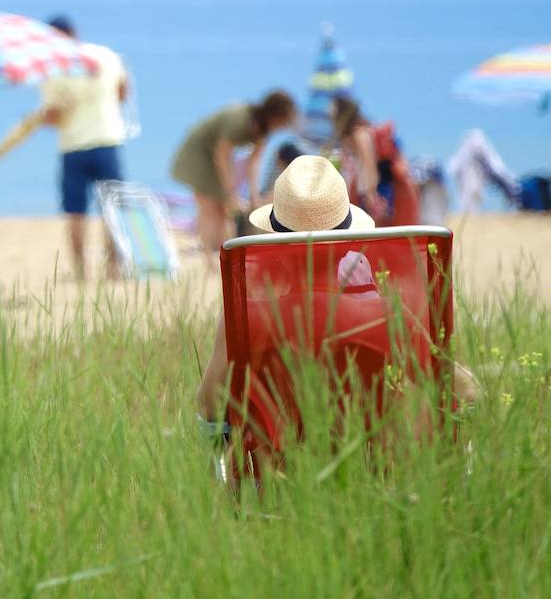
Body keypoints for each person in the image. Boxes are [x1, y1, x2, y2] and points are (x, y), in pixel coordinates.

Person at [195, 156, 477, 430]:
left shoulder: (247, 320)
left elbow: (209, 408)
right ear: (347, 245)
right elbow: (465, 393)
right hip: (372, 474)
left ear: (276, 250)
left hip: (274, 475)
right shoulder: (389, 318)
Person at [39, 15, 129, 281]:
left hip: (73, 145)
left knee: (76, 212)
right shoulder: (105, 56)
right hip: (107, 138)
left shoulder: (54, 69)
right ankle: (113, 268)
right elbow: (123, 91)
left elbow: (53, 116)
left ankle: (81, 272)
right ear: (74, 32)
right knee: (111, 208)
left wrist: (46, 118)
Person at [169, 90, 298, 261]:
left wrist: (253, 195)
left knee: (224, 211)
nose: (284, 125)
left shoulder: (263, 129)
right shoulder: (240, 120)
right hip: (198, 155)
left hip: (214, 158)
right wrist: (230, 191)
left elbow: (254, 161)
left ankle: (229, 258)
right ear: (275, 114)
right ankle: (208, 259)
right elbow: (222, 153)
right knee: (209, 208)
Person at [332, 96, 420, 227]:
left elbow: (369, 165)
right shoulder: (359, 132)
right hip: (377, 190)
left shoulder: (360, 134)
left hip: (374, 193)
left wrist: (370, 195)